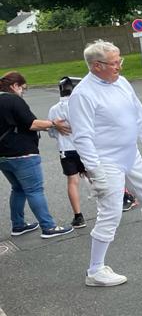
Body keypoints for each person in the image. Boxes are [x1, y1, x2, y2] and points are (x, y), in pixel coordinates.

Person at [68, 40, 142, 287]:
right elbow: (82, 137)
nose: (119, 66)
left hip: (130, 155)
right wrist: (95, 171)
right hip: (105, 161)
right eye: (114, 63)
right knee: (110, 212)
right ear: (96, 66)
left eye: (119, 60)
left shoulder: (121, 83)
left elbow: (139, 116)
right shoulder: (83, 94)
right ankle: (95, 270)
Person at [0, 71, 73, 238]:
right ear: (14, 86)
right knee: (34, 190)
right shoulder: (13, 100)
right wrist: (53, 124)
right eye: (22, 88)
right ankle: (49, 227)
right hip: (22, 153)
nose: (22, 92)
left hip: (3, 156)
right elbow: (31, 124)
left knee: (18, 189)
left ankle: (18, 225)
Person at [46, 76, 87, 228]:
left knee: (72, 181)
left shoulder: (54, 109)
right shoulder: (81, 105)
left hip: (66, 149)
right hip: (85, 147)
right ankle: (112, 205)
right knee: (95, 177)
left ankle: (78, 216)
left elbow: (51, 133)